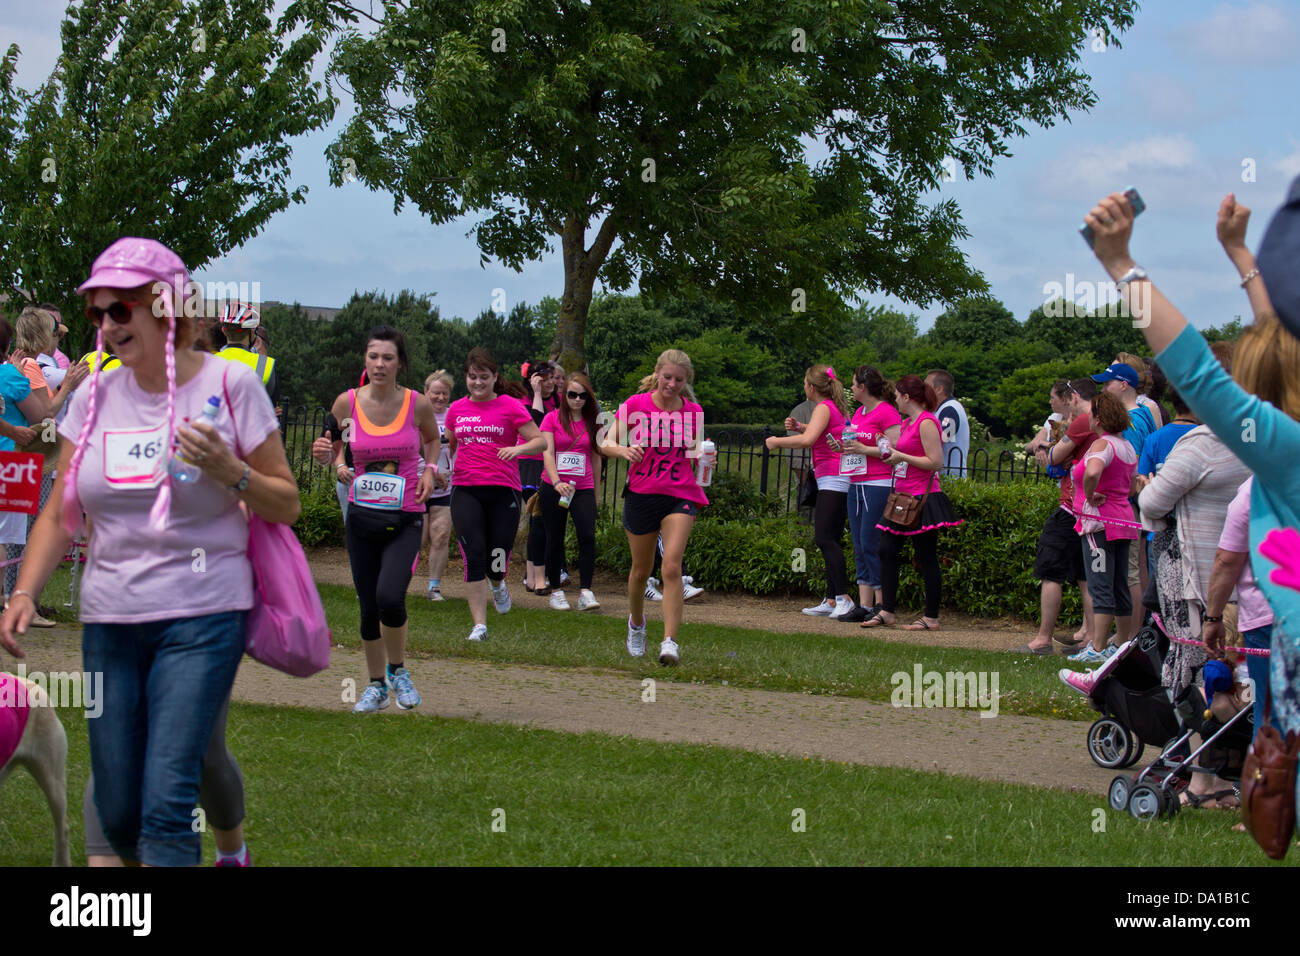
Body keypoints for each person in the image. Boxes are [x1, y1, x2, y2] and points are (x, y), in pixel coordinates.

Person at [0, 237, 298, 867]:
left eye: (122, 310)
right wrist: (24, 591)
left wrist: (231, 471)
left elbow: (287, 502)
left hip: (204, 614)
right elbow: (60, 510)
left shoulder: (233, 386)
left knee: (168, 791)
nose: (107, 326)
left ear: (169, 309)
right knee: (114, 796)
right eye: (97, 313)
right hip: (111, 617)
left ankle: (227, 851)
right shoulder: (93, 398)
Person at [1084, 187, 1300, 780]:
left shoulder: (1283, 451)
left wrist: (1121, 263)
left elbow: (1196, 369)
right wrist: (1242, 257)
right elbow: (1284, 350)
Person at [314, 327, 440, 712]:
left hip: (405, 515)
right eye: (373, 357)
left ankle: (398, 671)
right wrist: (332, 460)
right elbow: (333, 441)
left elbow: (433, 440)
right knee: (368, 605)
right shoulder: (346, 403)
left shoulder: (416, 405)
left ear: (400, 363)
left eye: (387, 358)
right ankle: (375, 686)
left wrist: (429, 470)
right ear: (365, 361)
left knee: (389, 596)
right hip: (361, 515)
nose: (380, 365)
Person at [602, 349, 714, 665]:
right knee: (641, 571)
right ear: (657, 374)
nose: (672, 384)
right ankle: (636, 624)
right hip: (642, 494)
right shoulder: (635, 406)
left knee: (672, 567)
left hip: (680, 494)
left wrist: (706, 458)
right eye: (667, 377)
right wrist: (624, 450)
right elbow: (605, 442)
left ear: (686, 380)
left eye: (679, 379)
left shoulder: (693, 412)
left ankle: (669, 642)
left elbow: (695, 453)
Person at [444, 348, 544, 642]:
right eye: (472, 377)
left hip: (503, 490)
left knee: (496, 556)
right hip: (465, 489)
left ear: (494, 378)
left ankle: (498, 583)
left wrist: (517, 449)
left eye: (483, 377)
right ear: (466, 378)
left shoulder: (510, 406)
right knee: (473, 554)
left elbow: (539, 442)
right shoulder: (456, 409)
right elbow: (450, 445)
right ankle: (479, 625)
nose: (477, 382)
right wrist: (440, 470)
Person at [862, 374, 962, 630]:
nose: (894, 399)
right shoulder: (908, 424)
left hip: (922, 498)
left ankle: (931, 617)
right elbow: (896, 453)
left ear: (907, 397)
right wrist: (877, 450)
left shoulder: (927, 422)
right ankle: (887, 611)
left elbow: (936, 462)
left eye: (897, 395)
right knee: (886, 549)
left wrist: (901, 455)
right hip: (903, 496)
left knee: (926, 555)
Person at [1014, 378, 1097, 654]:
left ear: (1073, 397)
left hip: (1071, 507)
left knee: (1050, 571)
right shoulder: (1101, 422)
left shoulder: (1083, 422)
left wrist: (1050, 452)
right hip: (1089, 512)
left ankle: (1042, 639)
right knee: (1086, 577)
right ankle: (1090, 640)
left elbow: (1055, 457)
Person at [766, 365, 853, 619]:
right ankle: (831, 598)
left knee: (824, 538)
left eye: (805, 383)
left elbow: (806, 442)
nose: (804, 387)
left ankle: (843, 597)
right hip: (834, 477)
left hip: (834, 479)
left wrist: (776, 442)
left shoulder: (824, 407)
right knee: (831, 539)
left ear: (811, 388)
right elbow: (817, 433)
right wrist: (803, 426)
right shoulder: (830, 407)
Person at [1061, 390, 1139, 664]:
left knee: (1099, 584)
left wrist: (1092, 493)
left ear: (1098, 418)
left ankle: (1096, 646)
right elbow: (1131, 486)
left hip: (1097, 525)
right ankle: (1123, 643)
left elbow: (1092, 471)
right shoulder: (1127, 447)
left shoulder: (1101, 445)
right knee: (1119, 584)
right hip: (1123, 522)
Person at [1203, 478, 1272, 741]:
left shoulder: (1255, 489)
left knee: (1270, 718)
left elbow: (1227, 560)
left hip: (1269, 616)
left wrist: (1213, 617)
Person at [840, 366, 901, 622]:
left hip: (877, 483)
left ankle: (881, 602)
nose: (851, 388)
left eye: (854, 384)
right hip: (856, 481)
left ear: (863, 387)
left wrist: (865, 448)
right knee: (858, 543)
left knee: (871, 542)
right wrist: (846, 447)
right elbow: (857, 442)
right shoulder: (859, 411)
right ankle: (864, 603)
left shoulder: (886, 412)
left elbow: (894, 448)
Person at [539, 372, 602, 611]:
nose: (577, 399)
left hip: (582, 487)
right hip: (554, 487)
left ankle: (586, 590)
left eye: (582, 395)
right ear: (563, 395)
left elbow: (596, 459)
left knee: (587, 535)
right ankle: (555, 589)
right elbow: (547, 452)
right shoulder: (551, 419)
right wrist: (556, 482)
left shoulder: (594, 422)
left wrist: (595, 492)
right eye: (572, 394)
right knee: (554, 537)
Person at [519, 359, 560, 593]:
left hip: (549, 464)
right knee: (538, 517)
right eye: (545, 378)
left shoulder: (556, 402)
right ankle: (535, 577)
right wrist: (535, 393)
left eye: (552, 377)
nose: (550, 382)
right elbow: (537, 426)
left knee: (541, 521)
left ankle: (531, 575)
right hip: (529, 466)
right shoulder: (523, 402)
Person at [421, 370, 454, 600]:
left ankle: (434, 587)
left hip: (447, 486)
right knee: (418, 538)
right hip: (418, 484)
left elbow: (461, 446)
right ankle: (398, 580)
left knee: (441, 535)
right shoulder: (417, 416)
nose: (440, 398)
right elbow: (411, 448)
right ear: (426, 392)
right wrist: (430, 472)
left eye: (445, 393)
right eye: (436, 393)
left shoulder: (454, 416)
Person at [215, 302, 281, 413]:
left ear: (224, 331)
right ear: (251, 333)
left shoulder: (208, 362)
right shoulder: (265, 364)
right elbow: (271, 409)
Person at [925, 369, 969, 477]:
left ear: (939, 389)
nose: (923, 389)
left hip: (950, 479)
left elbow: (942, 439)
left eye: (926, 386)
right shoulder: (942, 410)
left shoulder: (950, 410)